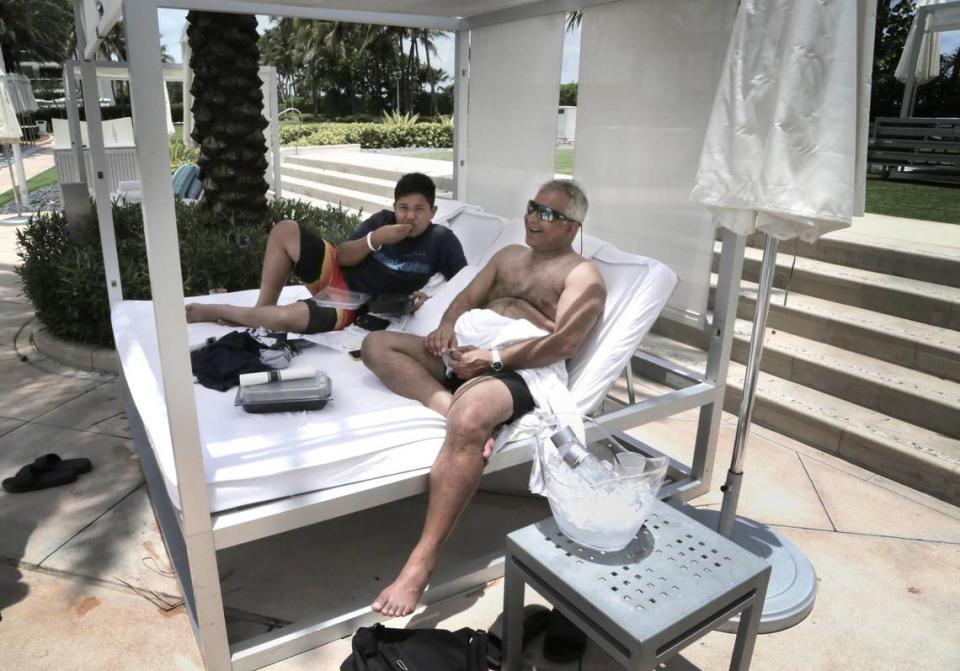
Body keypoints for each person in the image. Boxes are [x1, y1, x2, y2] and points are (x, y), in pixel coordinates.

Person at [361, 179, 606, 617]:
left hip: (517, 367)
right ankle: (445, 402)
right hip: (468, 354)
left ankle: (422, 560)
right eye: (533, 207)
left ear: (572, 228)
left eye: (548, 214)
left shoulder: (582, 275)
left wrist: (492, 359)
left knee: (472, 416)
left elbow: (563, 343)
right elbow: (466, 298)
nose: (533, 218)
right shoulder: (508, 257)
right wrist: (445, 328)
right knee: (377, 346)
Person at [185, 173, 467, 333]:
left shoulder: (442, 241)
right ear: (394, 207)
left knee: (286, 320)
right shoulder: (382, 221)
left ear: (433, 212)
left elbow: (466, 286)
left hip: (353, 304)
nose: (409, 217)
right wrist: (374, 240)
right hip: (338, 272)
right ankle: (261, 309)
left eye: (419, 210)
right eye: (403, 208)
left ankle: (226, 311)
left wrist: (428, 299)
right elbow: (343, 256)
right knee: (285, 229)